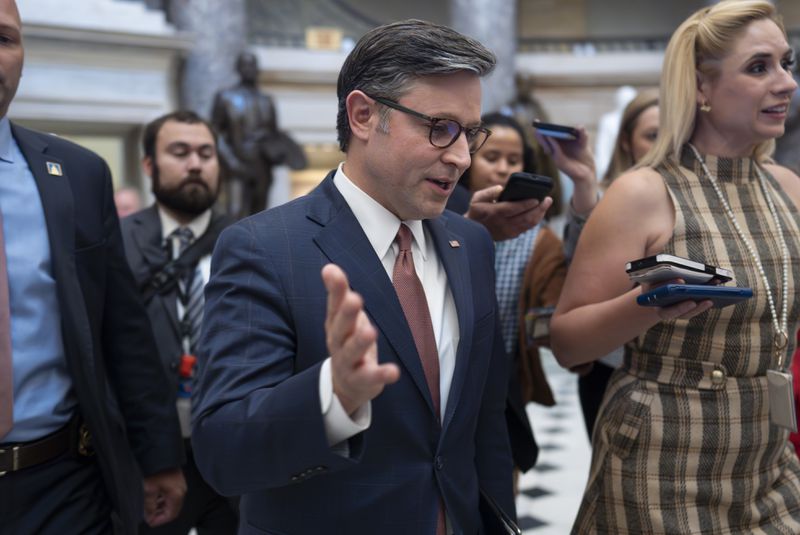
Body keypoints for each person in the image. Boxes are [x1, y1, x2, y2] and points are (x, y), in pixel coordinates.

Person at [192, 19, 516, 534]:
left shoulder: (469, 243)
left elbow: (484, 427)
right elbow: (223, 450)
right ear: (364, 116)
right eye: (440, 128)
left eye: (470, 133)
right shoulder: (264, 248)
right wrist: (332, 397)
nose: (460, 156)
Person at [550, 1, 800, 532]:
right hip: (662, 459)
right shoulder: (643, 191)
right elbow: (569, 341)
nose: (786, 83)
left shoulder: (787, 187)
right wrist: (650, 305)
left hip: (766, 456)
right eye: (759, 67)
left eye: (787, 63)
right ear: (701, 88)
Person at [0, 1, 186, 533]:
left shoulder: (77, 175)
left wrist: (159, 457)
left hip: (60, 484)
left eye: (5, 38)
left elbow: (122, 329)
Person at [120, 111, 237, 534]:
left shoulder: (250, 240)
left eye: (206, 153)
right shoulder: (114, 241)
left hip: (231, 446)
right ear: (149, 165)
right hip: (147, 452)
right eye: (180, 152)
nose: (195, 164)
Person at [539, 89, 660, 438]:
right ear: (626, 142)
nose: (663, 145)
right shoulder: (609, 197)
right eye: (652, 135)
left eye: (670, 134)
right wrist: (584, 183)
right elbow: (579, 267)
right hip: (613, 365)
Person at [454, 112, 566, 478]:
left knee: (500, 476)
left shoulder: (538, 239)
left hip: (504, 381)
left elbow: (548, 310)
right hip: (446, 371)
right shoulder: (442, 217)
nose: (503, 169)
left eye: (513, 161)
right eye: (491, 157)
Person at [211, 51, 306, 220]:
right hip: (237, 166)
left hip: (262, 166)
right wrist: (231, 162)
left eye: (253, 65)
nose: (250, 69)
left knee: (260, 218)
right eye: (246, 65)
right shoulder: (225, 98)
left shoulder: (266, 100)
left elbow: (273, 134)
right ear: (238, 69)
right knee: (235, 214)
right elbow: (214, 133)